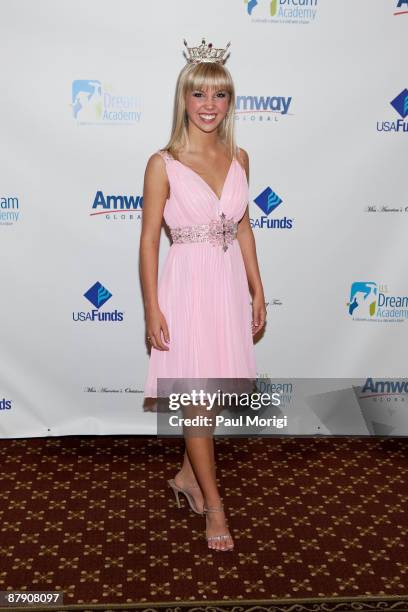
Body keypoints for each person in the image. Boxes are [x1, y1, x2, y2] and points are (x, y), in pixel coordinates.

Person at [139, 38, 266, 552]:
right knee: (195, 401)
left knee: (209, 396)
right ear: (183, 100)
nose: (209, 105)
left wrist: (258, 287)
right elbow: (149, 240)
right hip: (187, 286)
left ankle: (187, 478)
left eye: (219, 95)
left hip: (227, 284)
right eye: (199, 95)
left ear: (229, 102)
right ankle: (214, 506)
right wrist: (152, 307)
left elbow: (244, 228)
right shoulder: (162, 162)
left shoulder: (239, 157)